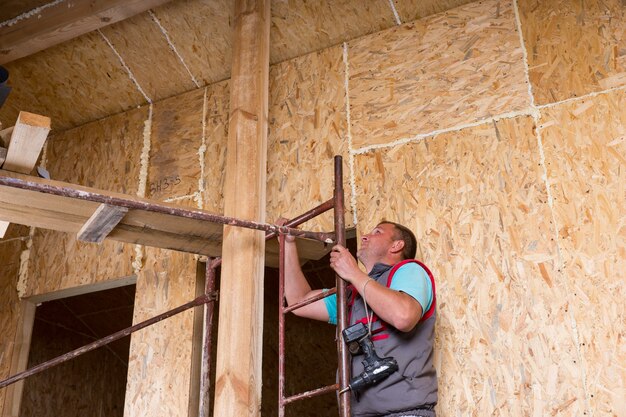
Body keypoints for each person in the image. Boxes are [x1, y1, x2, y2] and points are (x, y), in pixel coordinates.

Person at [281, 219, 438, 417]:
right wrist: (288, 243)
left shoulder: (409, 271)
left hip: (404, 412)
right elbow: (299, 302)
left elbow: (404, 316)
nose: (365, 236)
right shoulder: (353, 294)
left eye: (377, 232)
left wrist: (354, 273)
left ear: (397, 245)